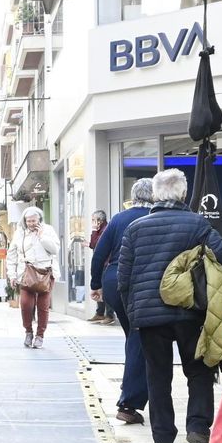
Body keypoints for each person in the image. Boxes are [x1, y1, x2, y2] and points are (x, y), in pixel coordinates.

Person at [116, 168, 222, 443]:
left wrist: (134, 312)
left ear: (156, 194)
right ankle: (198, 428)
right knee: (199, 371)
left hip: (150, 317)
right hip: (191, 312)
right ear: (182, 193)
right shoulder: (198, 225)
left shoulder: (135, 228)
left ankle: (163, 439)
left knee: (157, 375)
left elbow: (124, 278)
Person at [90, 180, 153, 425]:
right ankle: (129, 402)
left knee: (135, 337)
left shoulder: (118, 219)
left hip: (114, 282)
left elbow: (99, 254)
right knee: (139, 337)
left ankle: (134, 397)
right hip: (139, 283)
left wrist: (96, 284)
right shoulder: (154, 216)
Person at [6, 207, 58, 348]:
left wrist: (42, 236)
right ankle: (28, 331)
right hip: (26, 273)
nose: (31, 224)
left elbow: (55, 250)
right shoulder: (19, 233)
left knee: (43, 306)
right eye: (28, 221)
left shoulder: (48, 230)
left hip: (45, 273)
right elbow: (11, 256)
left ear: (39, 219)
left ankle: (40, 335)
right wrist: (12, 275)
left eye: (33, 221)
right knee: (25, 305)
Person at [86, 211, 112, 322]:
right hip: (101, 263)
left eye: (93, 220)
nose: (92, 222)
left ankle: (110, 315)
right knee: (99, 287)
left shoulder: (106, 229)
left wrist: (93, 231)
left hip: (107, 263)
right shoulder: (99, 230)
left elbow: (95, 244)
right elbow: (93, 245)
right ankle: (100, 312)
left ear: (99, 221)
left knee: (105, 289)